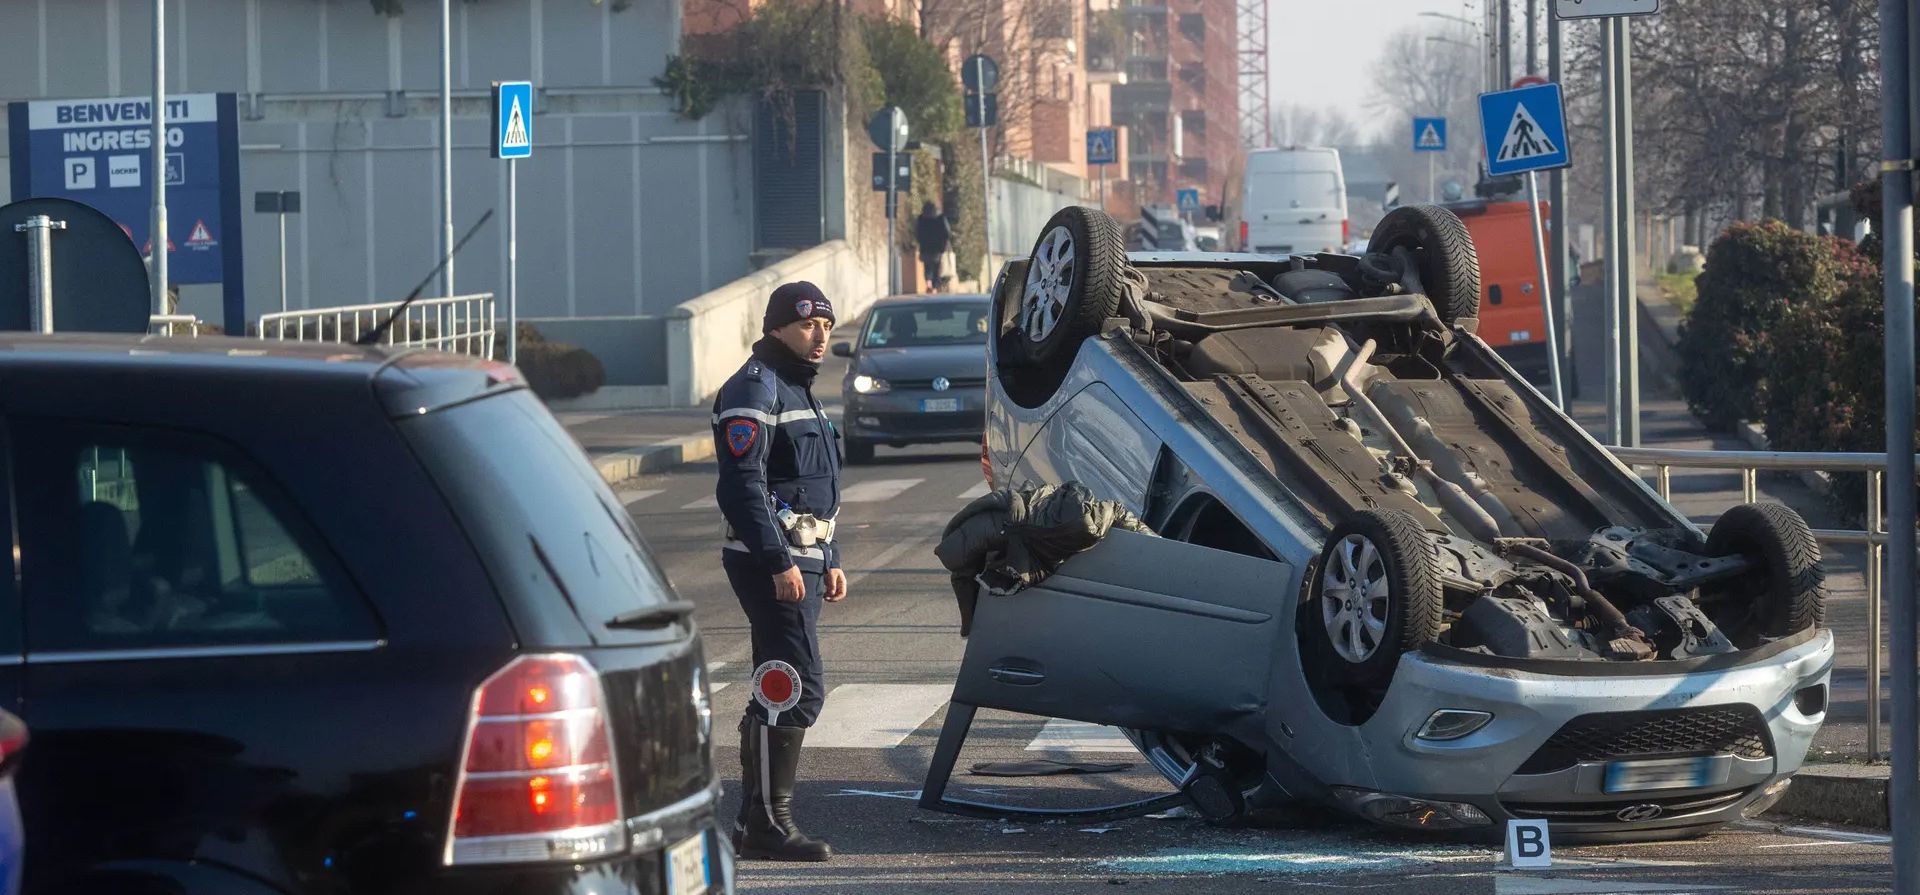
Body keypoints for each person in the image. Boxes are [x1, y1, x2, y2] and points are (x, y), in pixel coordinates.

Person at [710, 281, 848, 863]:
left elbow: (812, 489)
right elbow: (743, 486)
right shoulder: (754, 387)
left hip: (805, 559)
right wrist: (778, 561)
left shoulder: (799, 387)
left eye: (826, 327)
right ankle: (770, 822)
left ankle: (752, 822)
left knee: (780, 681)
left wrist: (830, 559)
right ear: (776, 329)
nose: (819, 337)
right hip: (771, 563)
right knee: (797, 685)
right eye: (807, 326)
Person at [914, 201, 953, 292]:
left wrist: (920, 242)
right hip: (938, 249)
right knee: (936, 267)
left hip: (925, 249)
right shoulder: (940, 219)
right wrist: (944, 242)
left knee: (927, 266)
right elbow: (947, 232)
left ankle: (929, 283)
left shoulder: (921, 219)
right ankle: (934, 287)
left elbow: (917, 232)